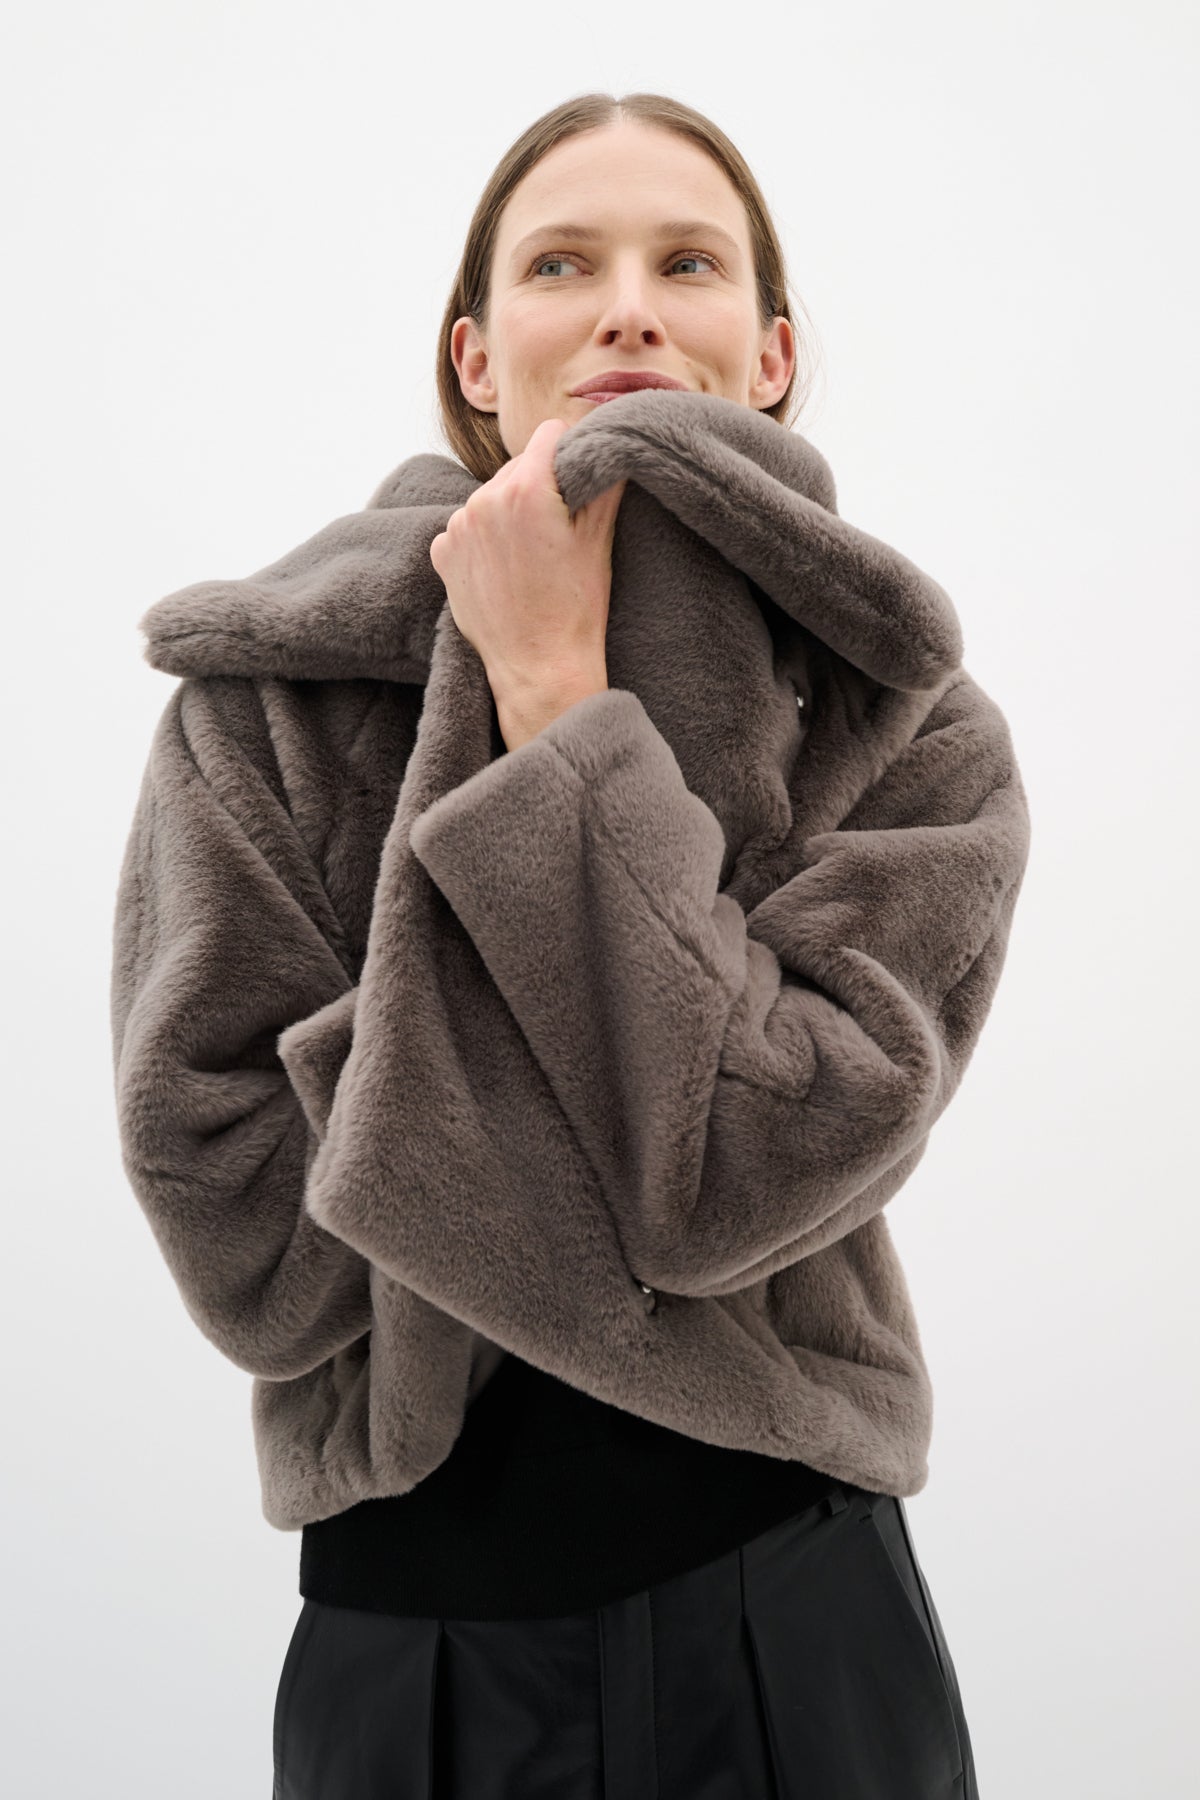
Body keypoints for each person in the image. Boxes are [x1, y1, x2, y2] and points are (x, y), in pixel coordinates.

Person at [112, 90, 1028, 1799]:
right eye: (560, 263)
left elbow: (747, 1169)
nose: (625, 305)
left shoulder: (913, 731)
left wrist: (555, 707)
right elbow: (248, 1239)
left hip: (795, 1621)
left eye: (686, 260)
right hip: (409, 1650)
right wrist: (650, 1051)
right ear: (476, 355)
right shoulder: (268, 707)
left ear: (766, 354)